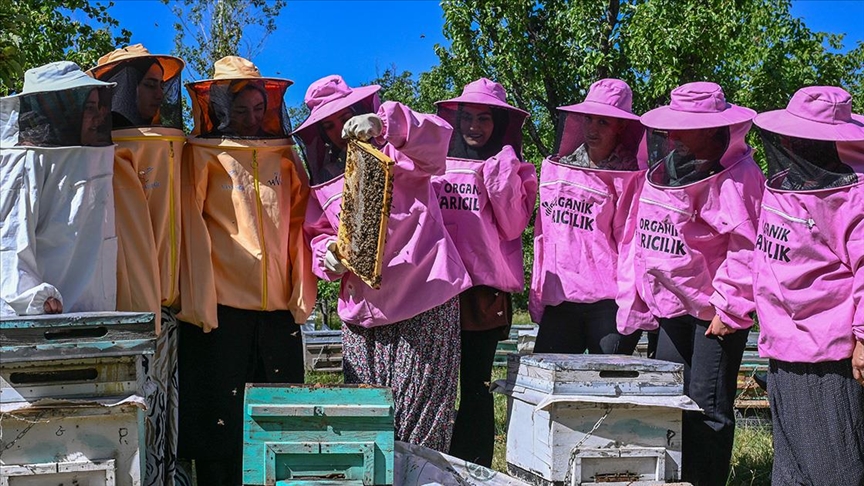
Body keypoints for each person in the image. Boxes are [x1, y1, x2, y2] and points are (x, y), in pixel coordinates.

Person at [298, 75, 471, 452]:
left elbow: (438, 138)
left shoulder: (400, 149)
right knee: (366, 423)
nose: (337, 130)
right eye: (327, 125)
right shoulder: (323, 181)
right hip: (364, 316)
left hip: (423, 295)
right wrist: (329, 255)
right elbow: (318, 233)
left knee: (419, 421)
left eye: (343, 117)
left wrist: (387, 123)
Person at [616, 82, 764, 485]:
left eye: (686, 127)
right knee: (668, 402)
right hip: (672, 307)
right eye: (672, 127)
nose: (674, 135)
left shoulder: (739, 176)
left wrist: (730, 308)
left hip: (713, 312)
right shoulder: (665, 169)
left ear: (715, 131)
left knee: (707, 408)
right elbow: (643, 238)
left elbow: (748, 244)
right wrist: (641, 297)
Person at [177, 56, 315, 486]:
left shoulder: (284, 156)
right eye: (241, 110)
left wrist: (300, 294)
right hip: (219, 312)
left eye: (259, 109)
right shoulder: (200, 154)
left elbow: (299, 226)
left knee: (279, 418)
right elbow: (191, 229)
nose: (252, 118)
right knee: (218, 423)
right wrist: (200, 303)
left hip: (277, 314)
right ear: (219, 108)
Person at [751, 86, 864, 485]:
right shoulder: (784, 185)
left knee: (833, 472)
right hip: (783, 348)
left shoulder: (853, 195)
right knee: (791, 471)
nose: (786, 141)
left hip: (827, 357)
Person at [89, 44, 187, 486]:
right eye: (149, 85)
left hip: (164, 317)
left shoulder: (168, 147)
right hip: (113, 320)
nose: (160, 95)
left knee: (162, 425)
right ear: (122, 86)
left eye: (162, 85)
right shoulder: (94, 151)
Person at [430, 78, 537, 466]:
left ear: (500, 124)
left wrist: (502, 169)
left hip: (482, 293)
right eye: (469, 118)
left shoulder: (519, 171)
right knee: (436, 387)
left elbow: (512, 226)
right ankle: (434, 463)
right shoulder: (436, 162)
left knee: (475, 385)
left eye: (485, 119)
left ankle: (473, 467)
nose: (475, 127)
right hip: (435, 291)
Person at [529, 79, 645, 355]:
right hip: (562, 299)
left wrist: (630, 306)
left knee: (608, 394)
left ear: (621, 126)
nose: (593, 128)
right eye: (589, 119)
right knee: (551, 389)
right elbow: (544, 236)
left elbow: (631, 245)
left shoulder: (630, 176)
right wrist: (538, 294)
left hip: (609, 303)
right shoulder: (557, 168)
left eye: (603, 122)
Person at [1, 61, 116, 316]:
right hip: (33, 324)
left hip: (89, 316)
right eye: (88, 108)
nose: (98, 117)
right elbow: (9, 246)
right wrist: (34, 299)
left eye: (99, 107)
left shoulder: (90, 160)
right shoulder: (23, 163)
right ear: (59, 111)